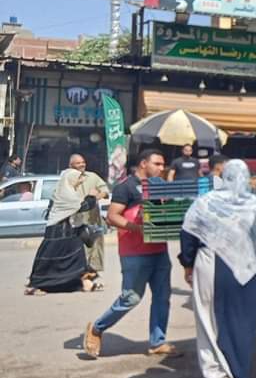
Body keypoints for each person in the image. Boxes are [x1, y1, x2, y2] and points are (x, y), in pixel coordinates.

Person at [179, 160, 256, 378]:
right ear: (247, 178)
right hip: (248, 271)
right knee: (243, 326)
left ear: (223, 177)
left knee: (209, 322)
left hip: (210, 266)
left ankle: (218, 377)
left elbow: (188, 234)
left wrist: (188, 265)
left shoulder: (205, 202)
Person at [82, 150, 182, 359]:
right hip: (135, 252)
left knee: (162, 297)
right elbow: (112, 217)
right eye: (157, 164)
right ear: (144, 164)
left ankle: (157, 342)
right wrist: (138, 228)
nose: (162, 168)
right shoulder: (126, 187)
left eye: (163, 164)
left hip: (159, 250)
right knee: (131, 298)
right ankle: (97, 328)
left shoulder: (160, 186)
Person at [25, 161, 108, 295]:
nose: (80, 181)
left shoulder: (70, 192)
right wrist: (91, 196)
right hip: (57, 234)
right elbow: (83, 206)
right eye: (77, 179)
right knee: (48, 262)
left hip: (70, 233)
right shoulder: (65, 194)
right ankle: (35, 286)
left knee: (77, 259)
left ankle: (84, 283)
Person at [68, 154, 110, 276]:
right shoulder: (67, 179)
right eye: (78, 163)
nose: (82, 165)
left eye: (83, 162)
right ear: (71, 166)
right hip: (76, 219)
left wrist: (96, 196)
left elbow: (105, 191)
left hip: (93, 217)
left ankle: (93, 271)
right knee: (80, 246)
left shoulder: (92, 177)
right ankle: (79, 272)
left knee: (96, 244)